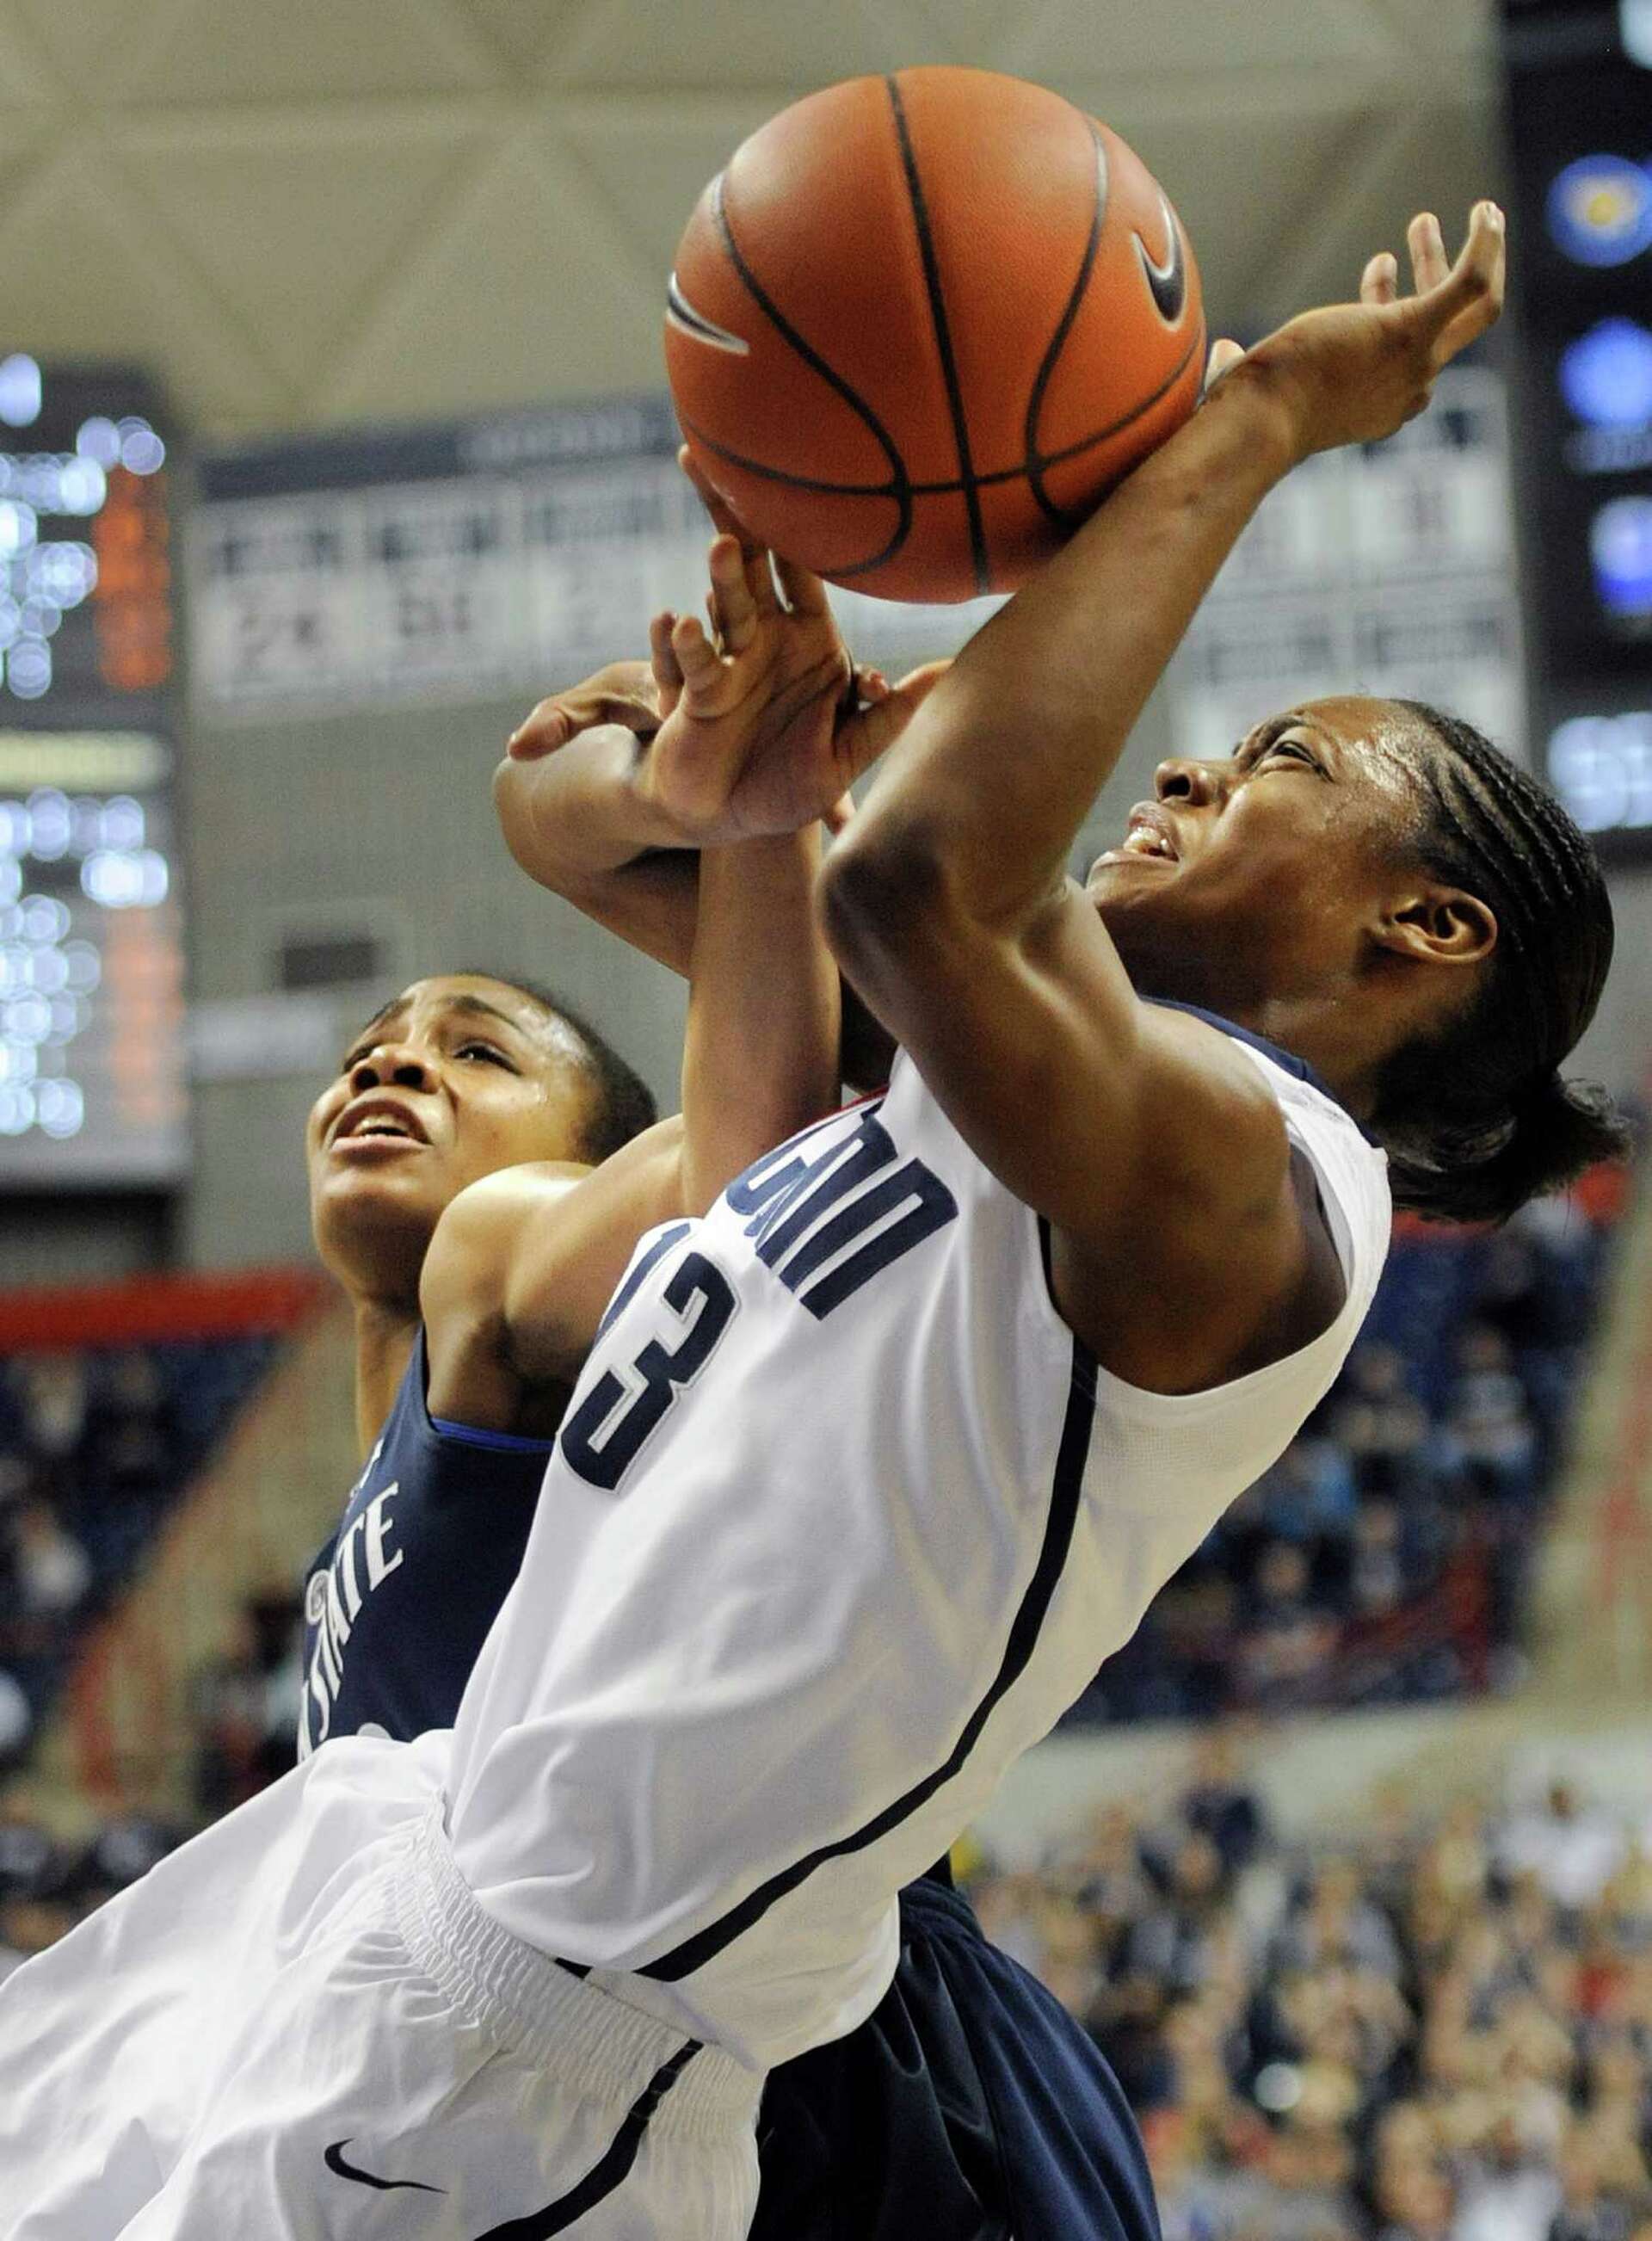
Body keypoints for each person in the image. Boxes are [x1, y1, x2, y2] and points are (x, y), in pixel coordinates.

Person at [0, 202, 1624, 2241]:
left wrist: (1257, 415)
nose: (1196, 761)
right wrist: (749, 777)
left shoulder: (1263, 1192)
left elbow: (921, 877)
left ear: (1427, 929)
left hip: (567, 2040)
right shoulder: (955, 1086)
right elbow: (614, 836)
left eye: (1285, 760)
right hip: (383, 1876)